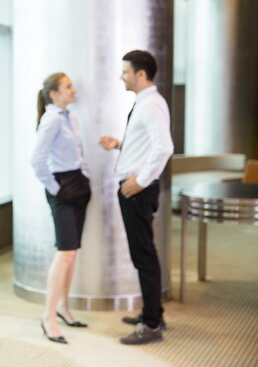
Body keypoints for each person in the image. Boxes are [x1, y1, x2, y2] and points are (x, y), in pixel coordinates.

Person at [99, 50, 173, 345]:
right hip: (135, 190)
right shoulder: (145, 103)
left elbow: (164, 147)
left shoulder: (151, 104)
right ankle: (152, 313)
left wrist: (140, 182)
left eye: (125, 71)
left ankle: (152, 324)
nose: (122, 76)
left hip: (137, 193)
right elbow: (147, 145)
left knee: (144, 256)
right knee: (144, 254)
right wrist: (120, 144)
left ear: (140, 74)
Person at [31, 72, 91, 345]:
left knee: (73, 252)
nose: (73, 88)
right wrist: (57, 190)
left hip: (79, 184)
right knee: (64, 253)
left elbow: (77, 153)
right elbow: (37, 160)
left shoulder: (71, 118)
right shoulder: (52, 119)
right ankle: (48, 317)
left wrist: (85, 177)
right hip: (64, 189)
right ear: (54, 93)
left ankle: (63, 307)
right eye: (68, 85)